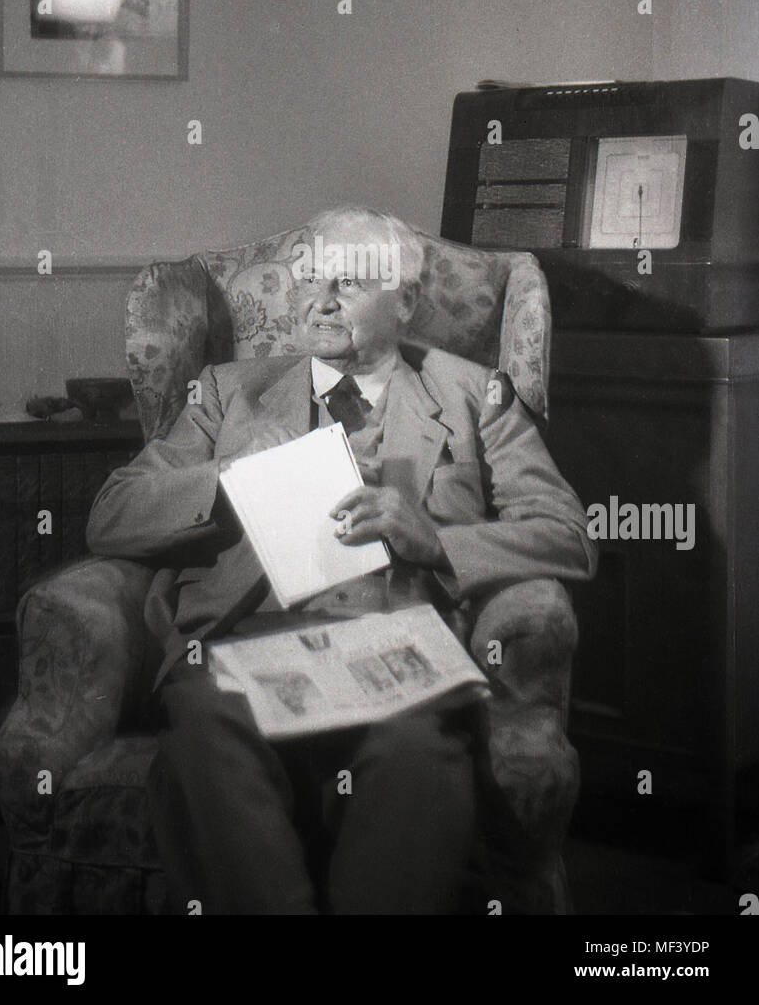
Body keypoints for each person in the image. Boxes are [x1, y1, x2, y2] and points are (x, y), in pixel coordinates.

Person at [86, 206, 594, 915]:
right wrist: (229, 477)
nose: (318, 300)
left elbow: (568, 534)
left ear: (407, 302)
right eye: (309, 279)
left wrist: (436, 541)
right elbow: (111, 516)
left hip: (397, 652)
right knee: (204, 732)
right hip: (245, 648)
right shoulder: (227, 391)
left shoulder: (473, 394)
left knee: (417, 753)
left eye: (349, 284)